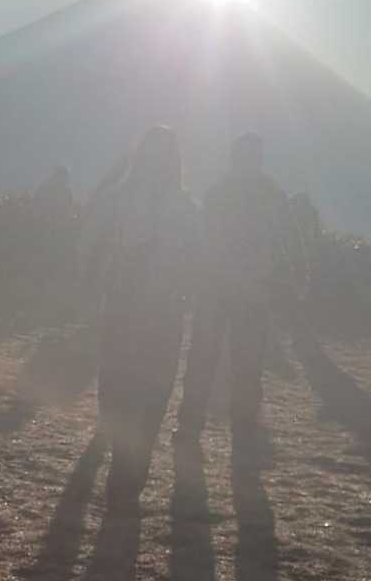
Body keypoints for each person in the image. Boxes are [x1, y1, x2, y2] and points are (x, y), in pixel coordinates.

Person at [175, 133, 305, 466]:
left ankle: (190, 428)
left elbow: (202, 239)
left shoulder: (221, 192)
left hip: (221, 289)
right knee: (244, 365)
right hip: (247, 291)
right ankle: (238, 432)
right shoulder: (269, 193)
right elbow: (289, 240)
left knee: (206, 361)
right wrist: (293, 277)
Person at [90, 127, 200, 505]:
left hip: (126, 306)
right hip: (161, 310)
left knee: (118, 386)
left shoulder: (119, 199)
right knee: (150, 391)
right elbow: (199, 261)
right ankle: (130, 474)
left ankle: (124, 467)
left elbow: (90, 247)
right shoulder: (185, 208)